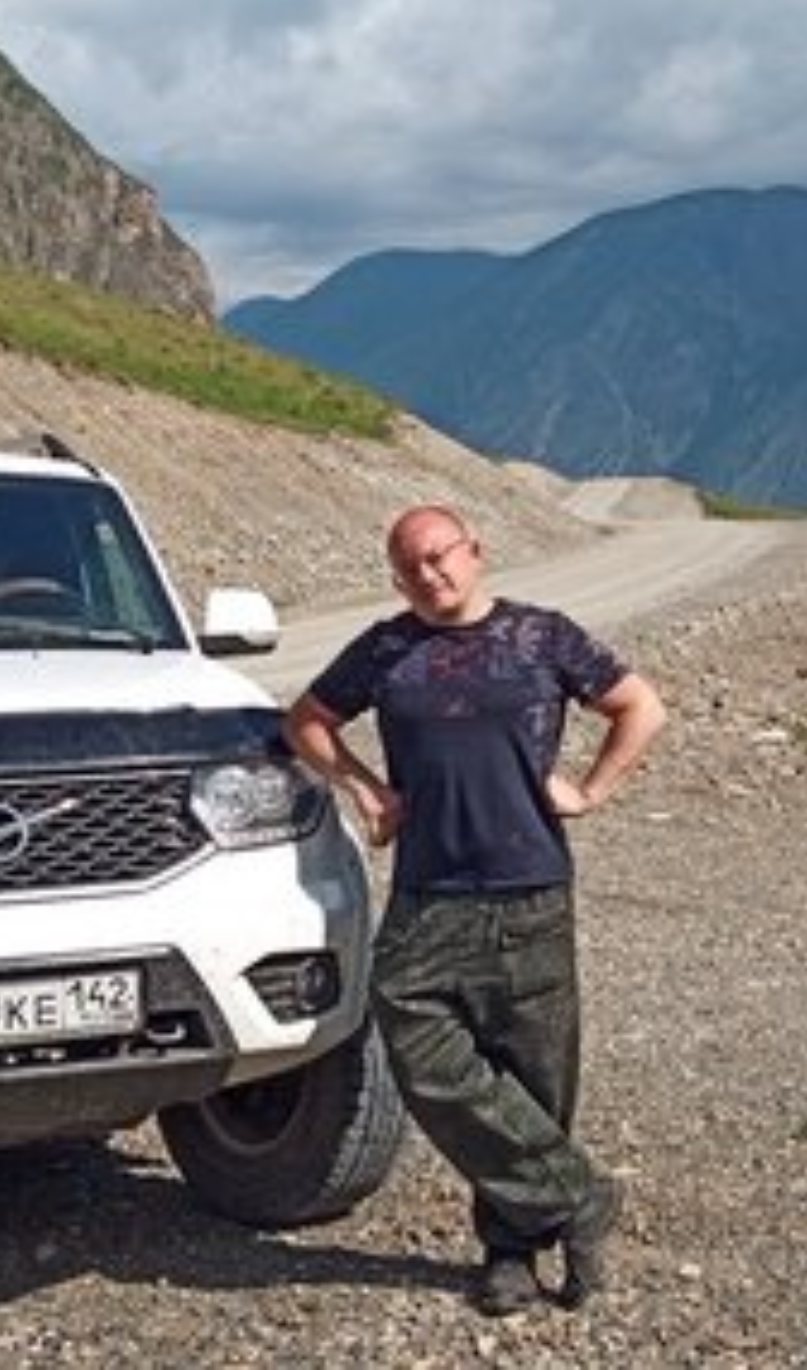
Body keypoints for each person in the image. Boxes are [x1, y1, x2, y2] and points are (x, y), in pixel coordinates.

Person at [283, 502, 666, 1317]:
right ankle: (580, 1196)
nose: (429, 575)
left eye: (440, 556)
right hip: (430, 891)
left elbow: (641, 706)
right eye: (410, 567)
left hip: (531, 889)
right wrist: (366, 789)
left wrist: (591, 790)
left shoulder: (541, 636)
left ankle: (511, 1253)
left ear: (475, 552)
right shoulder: (387, 649)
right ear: (397, 580)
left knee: (535, 1075)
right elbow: (307, 721)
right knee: (411, 1033)